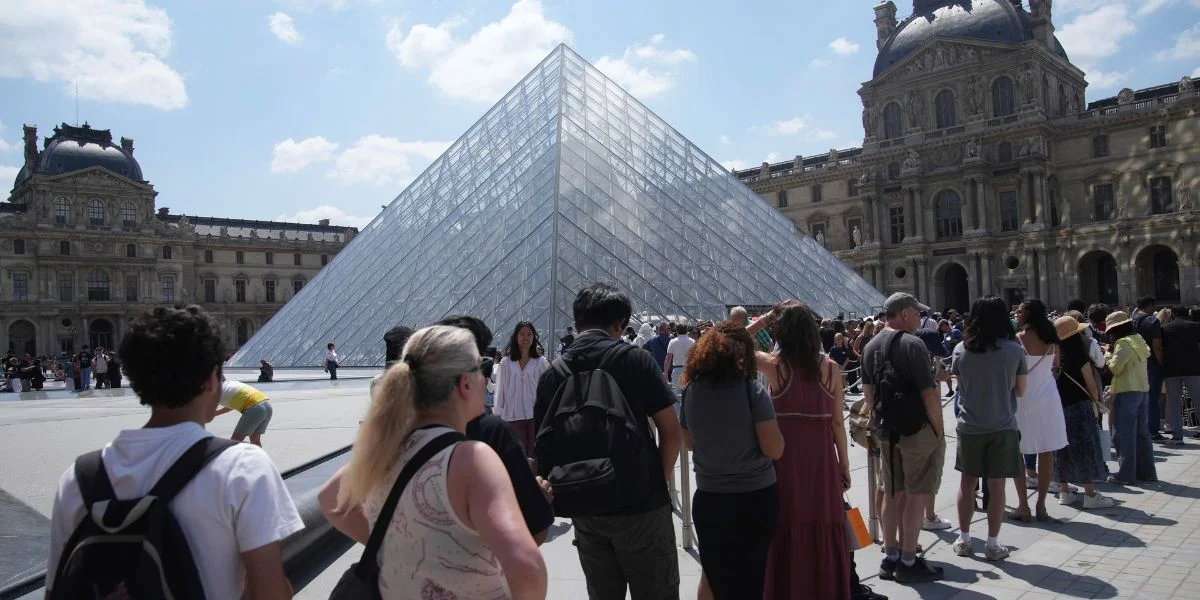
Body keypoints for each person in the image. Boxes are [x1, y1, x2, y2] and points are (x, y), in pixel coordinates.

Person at [45, 306, 302, 599]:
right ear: (211, 379)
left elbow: (56, 589)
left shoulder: (78, 479)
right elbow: (270, 591)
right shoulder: (243, 468)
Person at [331, 326, 547, 598]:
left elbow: (331, 499)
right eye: (481, 372)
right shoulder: (473, 458)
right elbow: (527, 566)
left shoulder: (385, 447)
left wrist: (395, 546)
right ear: (465, 384)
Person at [535, 283, 682, 600]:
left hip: (584, 503)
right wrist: (659, 479)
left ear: (577, 323)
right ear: (620, 324)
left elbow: (543, 444)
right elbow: (671, 431)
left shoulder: (552, 374)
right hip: (641, 504)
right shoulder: (636, 360)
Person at [679, 321, 784, 600]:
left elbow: (688, 443)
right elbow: (774, 448)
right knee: (751, 578)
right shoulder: (752, 391)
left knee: (713, 575)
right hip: (755, 498)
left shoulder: (690, 391)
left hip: (710, 498)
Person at [755, 301, 852, 599]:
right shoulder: (832, 369)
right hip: (822, 464)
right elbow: (837, 424)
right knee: (823, 525)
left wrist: (765, 319)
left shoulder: (775, 367)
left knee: (786, 524)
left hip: (785, 464)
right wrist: (843, 466)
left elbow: (730, 342)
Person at [861, 293, 945, 584]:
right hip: (916, 429)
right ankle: (909, 560)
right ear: (905, 313)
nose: (920, 318)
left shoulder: (870, 346)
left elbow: (869, 396)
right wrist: (938, 429)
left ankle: (891, 555)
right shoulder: (913, 344)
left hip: (887, 429)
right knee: (916, 492)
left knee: (891, 490)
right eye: (917, 312)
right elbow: (929, 393)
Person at [951, 296, 1027, 561]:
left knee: (967, 482)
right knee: (997, 486)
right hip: (1003, 424)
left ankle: (964, 538)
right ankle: (993, 544)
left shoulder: (960, 349)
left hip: (970, 424)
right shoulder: (1015, 351)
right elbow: (1021, 390)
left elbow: (960, 386)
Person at [1011, 299, 1068, 523]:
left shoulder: (1018, 340)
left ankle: (1023, 504)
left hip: (1024, 397)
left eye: (1021, 309)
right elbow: (1056, 367)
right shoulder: (1053, 340)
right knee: (1046, 450)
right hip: (1048, 396)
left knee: (1018, 450)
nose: (1017, 312)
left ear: (1029, 314)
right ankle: (1041, 505)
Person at [1052, 316, 1115, 509]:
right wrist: (1096, 404)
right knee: (1085, 448)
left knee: (1062, 449)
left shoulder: (1055, 356)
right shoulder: (1079, 356)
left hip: (1058, 407)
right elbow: (1091, 385)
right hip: (1079, 406)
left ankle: (1064, 492)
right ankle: (1090, 494)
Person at [1106, 311, 1158, 485]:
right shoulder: (1138, 339)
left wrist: (1106, 355)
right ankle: (1148, 472)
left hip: (1126, 391)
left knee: (1123, 435)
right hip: (1142, 390)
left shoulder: (1123, 343)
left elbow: (1115, 368)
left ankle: (1126, 475)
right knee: (1142, 434)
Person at [495, 321, 550, 458]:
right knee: (517, 455)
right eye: (522, 334)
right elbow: (500, 389)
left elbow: (547, 388)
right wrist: (499, 412)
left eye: (529, 334)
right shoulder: (506, 363)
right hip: (512, 415)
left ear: (534, 337)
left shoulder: (541, 362)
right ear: (515, 337)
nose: (526, 337)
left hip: (535, 415)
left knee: (536, 453)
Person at [1160, 305, 1200, 445]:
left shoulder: (1165, 329)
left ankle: (1177, 436)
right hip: (1193, 369)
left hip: (1171, 370)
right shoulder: (1195, 326)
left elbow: (1160, 347)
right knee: (1198, 401)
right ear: (1187, 314)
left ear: (1173, 314)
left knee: (1174, 403)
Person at [1132, 297, 1165, 440]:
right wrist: (1162, 362)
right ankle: (1153, 430)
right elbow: (1156, 345)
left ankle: (1141, 428)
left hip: (1135, 363)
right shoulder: (1152, 321)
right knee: (1153, 398)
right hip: (1151, 363)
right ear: (1150, 306)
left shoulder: (1131, 321)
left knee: (1138, 397)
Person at [214, 379, 275, 447]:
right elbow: (232, 405)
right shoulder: (230, 384)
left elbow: (205, 411)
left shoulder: (214, 391)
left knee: (235, 443)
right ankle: (260, 457)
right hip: (267, 405)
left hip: (255, 409)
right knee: (255, 440)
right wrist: (215, 413)